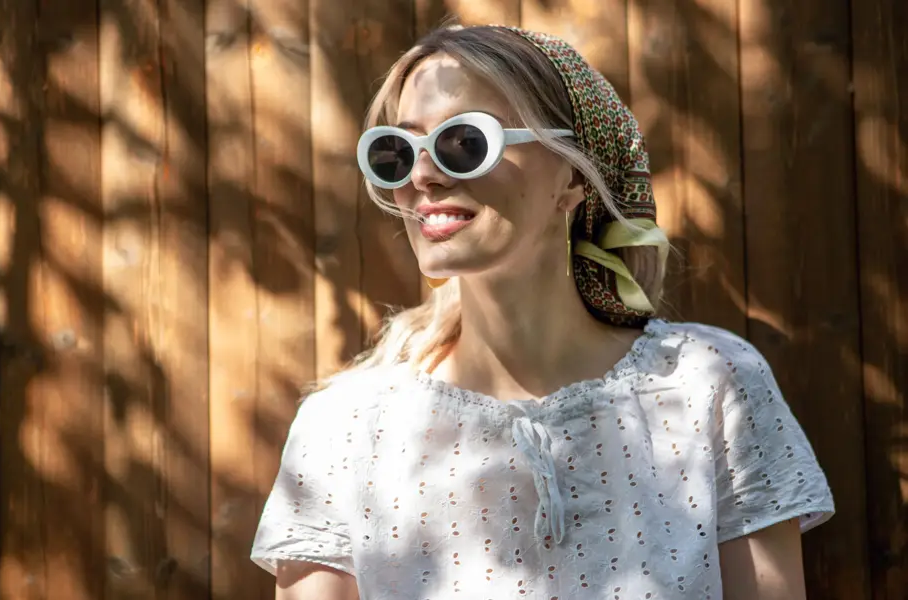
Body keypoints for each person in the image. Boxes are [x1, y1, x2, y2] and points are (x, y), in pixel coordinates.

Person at [250, 23, 835, 600]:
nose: (423, 176)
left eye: (464, 143)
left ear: (572, 174)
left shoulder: (709, 384)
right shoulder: (344, 430)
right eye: (396, 152)